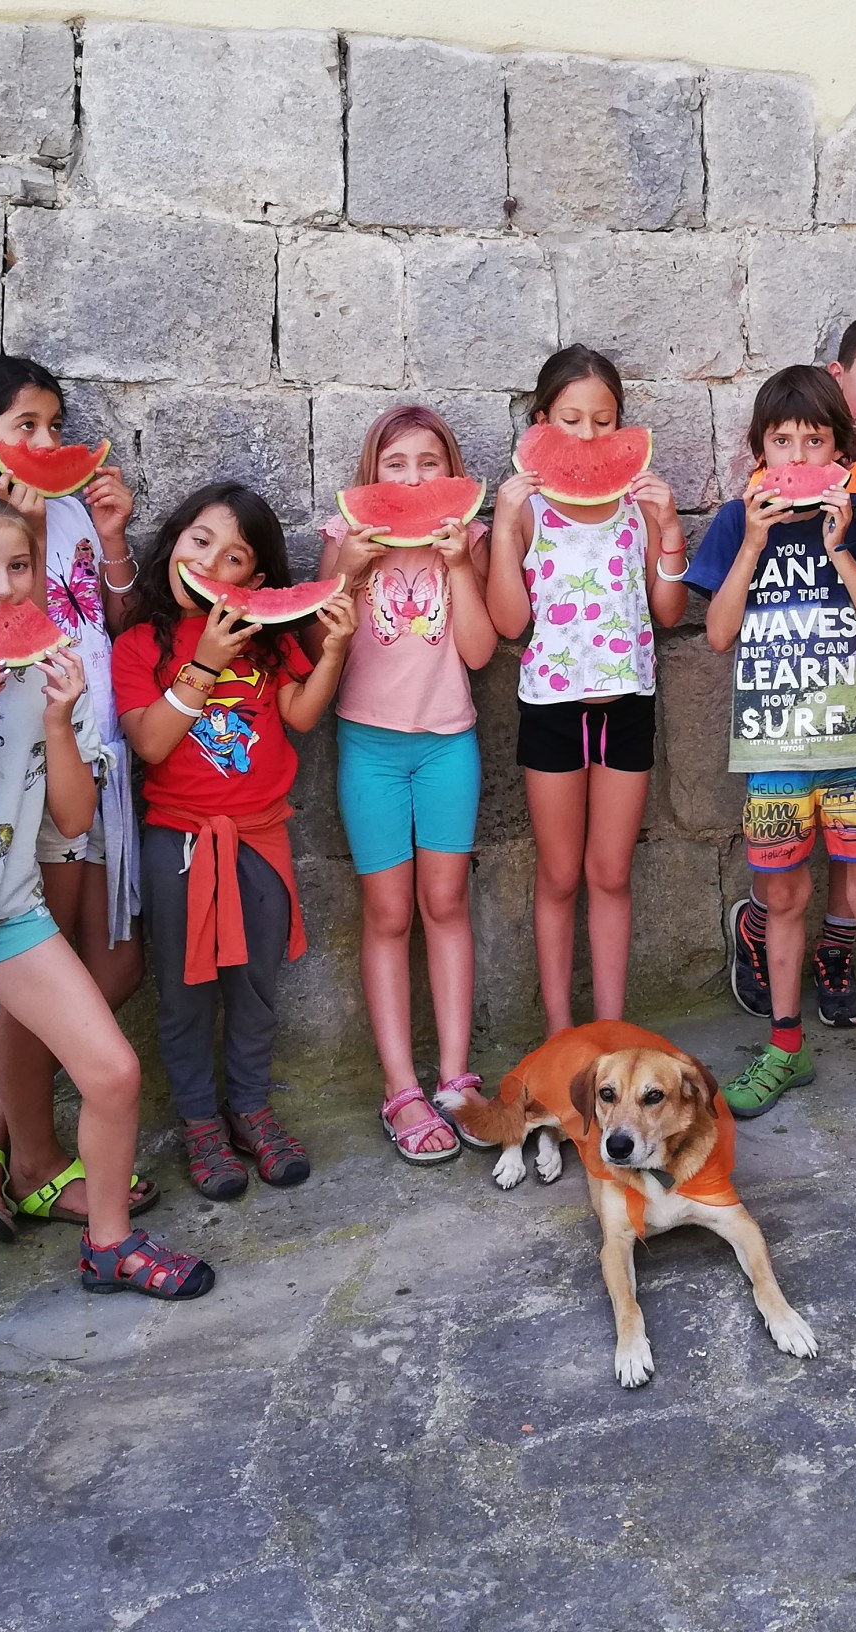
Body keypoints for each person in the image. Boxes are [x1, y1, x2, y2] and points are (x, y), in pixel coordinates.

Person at [0, 495, 209, 1299]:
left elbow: (77, 818)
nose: (4, 586)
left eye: (19, 566)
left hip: (6, 913)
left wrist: (58, 719)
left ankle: (109, 1245)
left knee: (114, 1074)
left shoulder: (47, 672)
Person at [0, 352, 145, 1238]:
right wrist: (32, 539)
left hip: (81, 742)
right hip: (14, 774)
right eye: (28, 427)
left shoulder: (70, 511)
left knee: (112, 962)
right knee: (56, 961)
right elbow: (8, 628)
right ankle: (32, 1156)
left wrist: (110, 538)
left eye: (56, 427)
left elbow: (103, 620)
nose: (48, 443)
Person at [684, 366, 856, 1128]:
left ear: (839, 450)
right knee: (784, 897)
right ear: (760, 449)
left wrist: (843, 548)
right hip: (774, 752)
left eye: (814, 440)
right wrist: (754, 544)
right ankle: (784, 1045)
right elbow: (718, 634)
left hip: (855, 743)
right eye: (783, 440)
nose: (798, 455)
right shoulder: (737, 521)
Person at [112, 483, 354, 1200]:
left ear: (257, 579)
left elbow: (301, 716)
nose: (212, 563)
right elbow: (151, 742)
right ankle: (199, 1124)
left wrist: (334, 652)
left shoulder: (270, 641)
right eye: (200, 541)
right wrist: (207, 661)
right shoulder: (137, 646)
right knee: (184, 995)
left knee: (256, 988)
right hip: (178, 842)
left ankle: (250, 1110)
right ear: (173, 542)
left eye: (235, 556)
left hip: (260, 838)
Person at [725, 318, 856, 1029]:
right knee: (784, 866)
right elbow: (723, 625)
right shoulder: (755, 501)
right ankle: (763, 937)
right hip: (780, 721)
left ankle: (841, 956)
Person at [487, 347, 688, 1034]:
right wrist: (504, 524)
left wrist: (670, 531)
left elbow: (668, 613)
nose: (589, 435)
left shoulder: (638, 507)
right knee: (559, 877)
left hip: (628, 706)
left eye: (604, 421)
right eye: (570, 420)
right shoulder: (528, 511)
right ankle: (558, 1032)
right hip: (551, 710)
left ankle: (610, 1030)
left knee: (611, 875)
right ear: (541, 421)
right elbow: (509, 622)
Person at [322, 406, 497, 1163]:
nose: (414, 478)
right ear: (372, 472)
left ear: (453, 474)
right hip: (369, 748)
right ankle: (400, 1087)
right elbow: (316, 636)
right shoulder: (343, 535)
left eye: (430, 463)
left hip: (449, 746)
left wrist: (459, 564)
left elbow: (481, 652)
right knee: (388, 913)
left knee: (446, 904)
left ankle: (456, 1079)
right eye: (396, 464)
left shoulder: (470, 538)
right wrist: (348, 568)